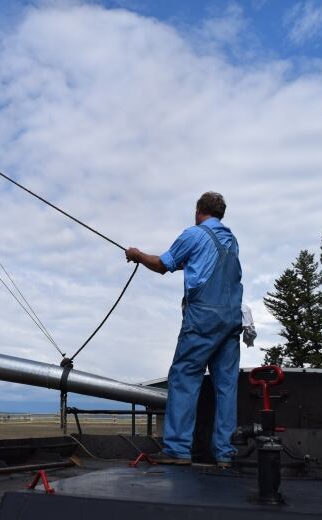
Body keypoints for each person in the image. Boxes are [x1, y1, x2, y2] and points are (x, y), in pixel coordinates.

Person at [125, 191, 242, 467]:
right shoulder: (231, 241)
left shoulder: (194, 234)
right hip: (232, 318)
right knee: (226, 386)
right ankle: (224, 453)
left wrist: (137, 254)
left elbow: (163, 264)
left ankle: (177, 449)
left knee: (184, 376)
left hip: (203, 318)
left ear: (199, 210)